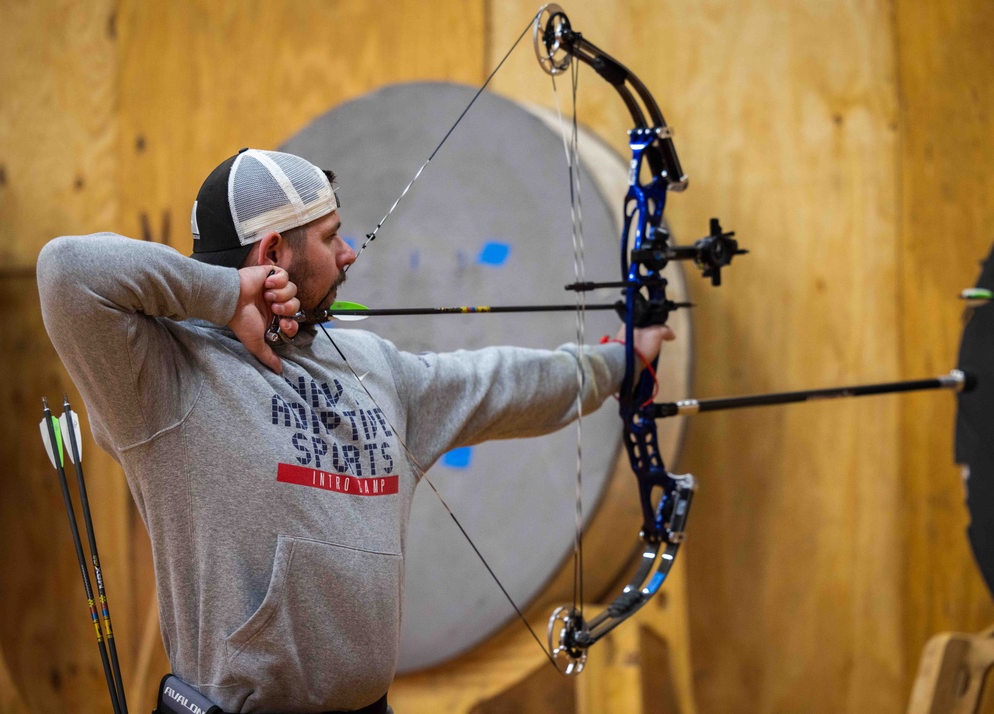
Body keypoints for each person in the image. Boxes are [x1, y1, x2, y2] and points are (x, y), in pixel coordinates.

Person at [37, 148, 673, 714]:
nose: (349, 254)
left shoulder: (370, 364)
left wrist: (620, 361)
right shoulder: (166, 379)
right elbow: (67, 271)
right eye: (330, 236)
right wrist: (226, 293)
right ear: (272, 256)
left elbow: (497, 382)